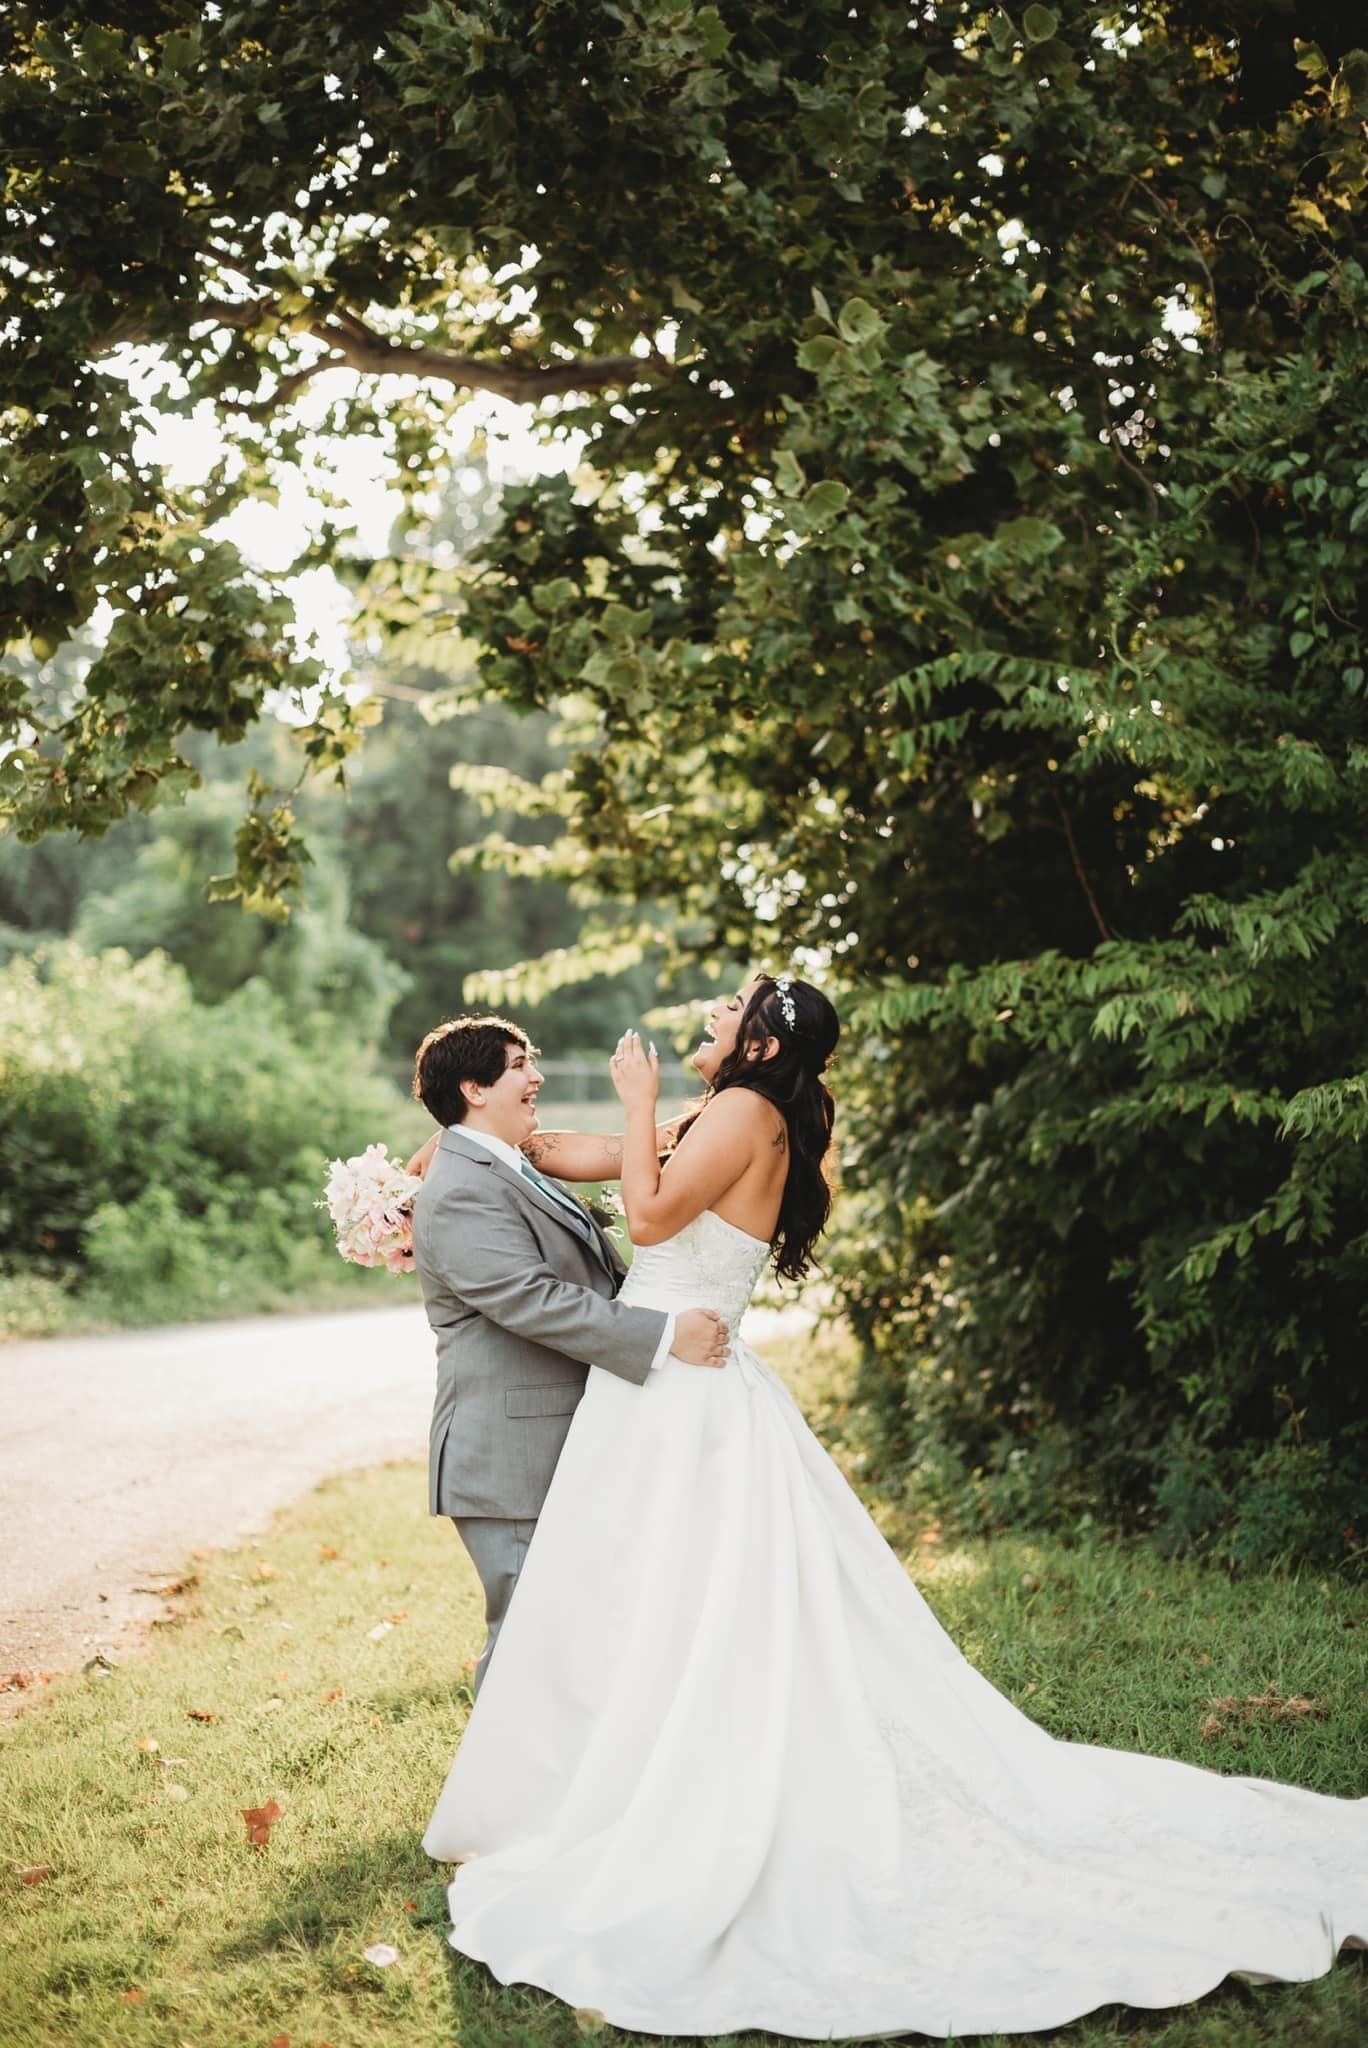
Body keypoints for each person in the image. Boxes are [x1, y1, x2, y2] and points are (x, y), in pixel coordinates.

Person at [421, 975, 1366, 2040]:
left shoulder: (736, 1111)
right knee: (656, 1601)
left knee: (685, 1597)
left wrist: (638, 1099)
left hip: (681, 1383)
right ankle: (621, 1777)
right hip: (666, 1390)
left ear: (764, 1038)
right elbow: (575, 1155)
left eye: (732, 1006)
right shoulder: (742, 1111)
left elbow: (645, 1209)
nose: (712, 1014)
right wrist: (456, 1153)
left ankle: (691, 1799)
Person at [407, 1013, 729, 1693]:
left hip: (556, 1434)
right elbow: (529, 1299)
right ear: (473, 1088)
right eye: (520, 1065)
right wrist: (664, 1336)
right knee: (530, 1642)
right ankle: (500, 1793)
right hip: (507, 1453)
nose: (537, 1077)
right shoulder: (462, 1187)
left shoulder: (507, 1164)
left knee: (576, 1631)